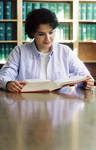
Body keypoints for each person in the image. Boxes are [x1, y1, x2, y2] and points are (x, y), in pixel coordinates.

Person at [0, 8, 94, 92]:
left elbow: (83, 75)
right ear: (32, 33)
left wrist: (86, 83)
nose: (48, 38)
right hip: (28, 104)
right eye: (41, 34)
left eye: (51, 32)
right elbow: (4, 75)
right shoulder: (19, 51)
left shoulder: (65, 51)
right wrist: (8, 83)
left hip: (60, 105)